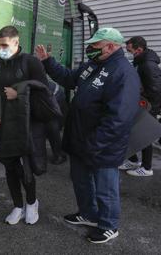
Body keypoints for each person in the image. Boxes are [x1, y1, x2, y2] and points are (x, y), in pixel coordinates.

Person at [35, 27, 140, 243]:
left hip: (103, 144)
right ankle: (88, 214)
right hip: (81, 139)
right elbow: (69, 78)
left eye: (95, 46)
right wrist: (48, 61)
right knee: (81, 181)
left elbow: (118, 119)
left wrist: (94, 143)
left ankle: (109, 225)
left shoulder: (123, 72)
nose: (89, 48)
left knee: (105, 188)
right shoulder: (94, 64)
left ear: (110, 47)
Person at [0, 26, 49, 225]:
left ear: (16, 42)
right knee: (10, 166)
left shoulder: (31, 62)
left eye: (4, 45)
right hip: (6, 123)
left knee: (25, 166)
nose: (1, 49)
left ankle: (32, 203)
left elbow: (43, 92)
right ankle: (17, 205)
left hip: (27, 123)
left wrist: (19, 93)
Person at [119, 36, 161, 177]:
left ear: (139, 49)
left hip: (148, 106)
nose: (129, 53)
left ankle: (146, 167)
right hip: (140, 104)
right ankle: (133, 161)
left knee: (145, 135)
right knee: (131, 131)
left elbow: (155, 90)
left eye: (130, 50)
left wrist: (147, 106)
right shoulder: (141, 61)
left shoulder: (148, 65)